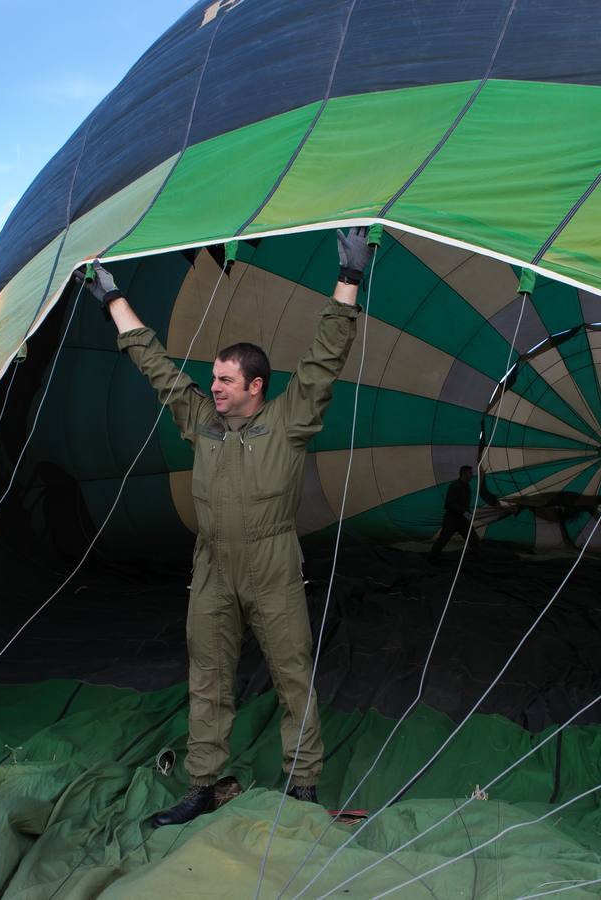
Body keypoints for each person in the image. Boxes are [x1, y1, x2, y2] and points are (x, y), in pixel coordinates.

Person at [92, 228, 373, 827]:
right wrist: (113, 300)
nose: (212, 388)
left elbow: (325, 358)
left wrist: (349, 278)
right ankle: (205, 784)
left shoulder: (290, 420)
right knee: (209, 675)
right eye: (213, 379)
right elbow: (156, 366)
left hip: (273, 564)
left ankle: (301, 789)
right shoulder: (201, 420)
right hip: (213, 564)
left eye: (224, 380)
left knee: (293, 675)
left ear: (255, 387)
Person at [428, 465, 481, 561]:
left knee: (474, 539)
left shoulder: (467, 487)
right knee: (442, 540)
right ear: (464, 473)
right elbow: (449, 503)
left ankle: (480, 559)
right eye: (470, 473)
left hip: (463, 520)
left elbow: (464, 505)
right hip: (452, 519)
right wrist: (464, 512)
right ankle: (432, 559)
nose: (472, 475)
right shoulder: (454, 486)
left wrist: (468, 513)